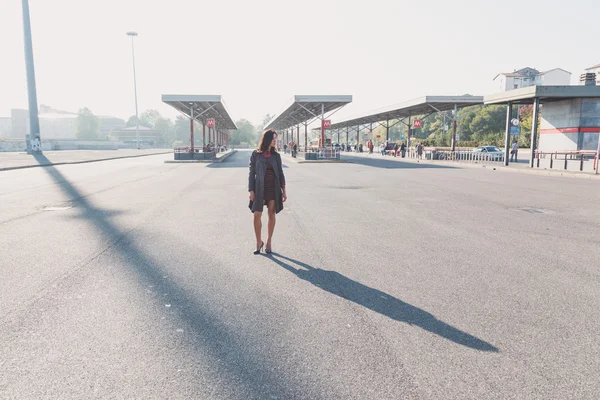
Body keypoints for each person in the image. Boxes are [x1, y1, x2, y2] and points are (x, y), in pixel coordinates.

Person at [249, 129, 287, 255]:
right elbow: (251, 173)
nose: (275, 141)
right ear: (267, 139)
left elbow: (281, 173)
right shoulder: (256, 154)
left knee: (271, 214)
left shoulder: (276, 155)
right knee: (257, 214)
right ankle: (258, 242)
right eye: (273, 138)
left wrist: (284, 190)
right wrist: (251, 190)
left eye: (275, 139)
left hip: (273, 188)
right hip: (259, 188)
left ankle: (269, 241)